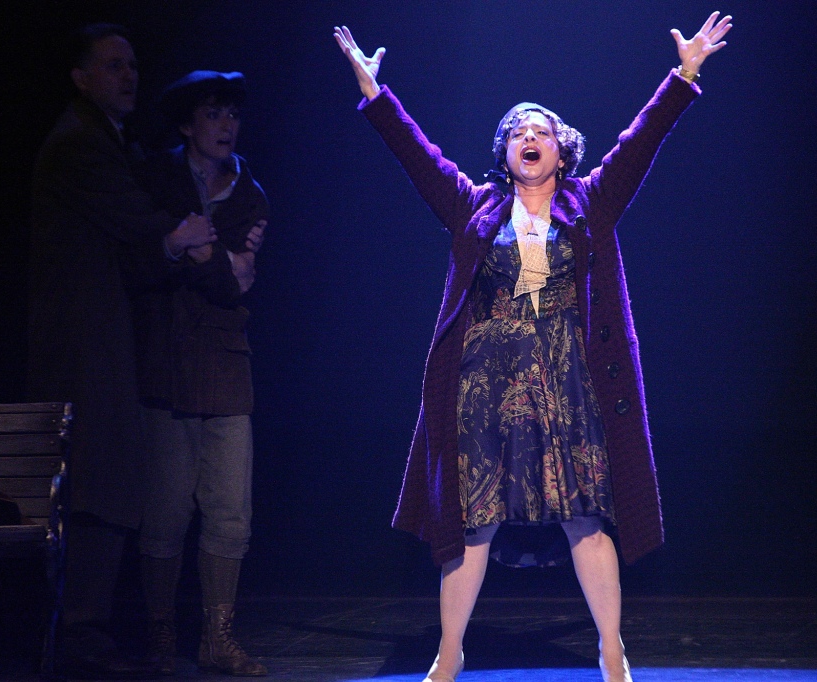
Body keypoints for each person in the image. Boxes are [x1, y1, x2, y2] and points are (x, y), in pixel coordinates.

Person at [334, 13, 731, 682]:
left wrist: (685, 73)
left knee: (586, 517)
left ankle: (612, 649)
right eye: (517, 130)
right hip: (483, 384)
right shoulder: (475, 207)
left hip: (568, 382)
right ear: (505, 151)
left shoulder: (591, 204)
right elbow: (417, 155)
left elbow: (640, 142)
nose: (528, 135)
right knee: (473, 521)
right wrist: (377, 96)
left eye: (540, 130)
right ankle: (449, 651)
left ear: (561, 150)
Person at [27, 23, 222, 679]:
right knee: (97, 482)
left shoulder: (107, 139)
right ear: (81, 77)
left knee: (109, 480)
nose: (128, 75)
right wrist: (183, 233)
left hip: (105, 334)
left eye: (133, 64)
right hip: (83, 340)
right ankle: (82, 629)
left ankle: (89, 626)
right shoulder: (79, 144)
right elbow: (132, 215)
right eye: (113, 66)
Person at [131, 70, 269, 676]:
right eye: (213, 115)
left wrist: (199, 250)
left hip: (224, 362)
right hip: (165, 359)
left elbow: (235, 282)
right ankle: (161, 637)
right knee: (165, 507)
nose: (226, 126)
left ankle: (217, 638)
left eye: (232, 115)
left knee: (230, 508)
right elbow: (134, 263)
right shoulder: (155, 176)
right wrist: (180, 247)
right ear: (188, 123)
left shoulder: (250, 194)